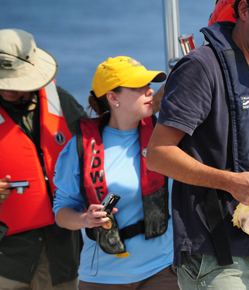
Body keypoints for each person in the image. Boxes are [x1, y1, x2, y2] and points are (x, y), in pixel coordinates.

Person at [144, 0, 249, 288]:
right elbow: (157, 155)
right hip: (212, 253)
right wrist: (231, 182)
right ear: (245, 11)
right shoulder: (199, 68)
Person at [52, 56, 178, 289]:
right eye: (139, 87)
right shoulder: (78, 148)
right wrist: (84, 219)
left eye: (149, 85)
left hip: (162, 269)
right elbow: (61, 211)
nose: (149, 91)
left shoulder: (164, 135)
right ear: (113, 97)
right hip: (102, 277)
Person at [0, 28, 85, 290]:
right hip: (7, 258)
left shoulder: (62, 102)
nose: (10, 90)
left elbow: (97, 148)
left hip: (63, 255)